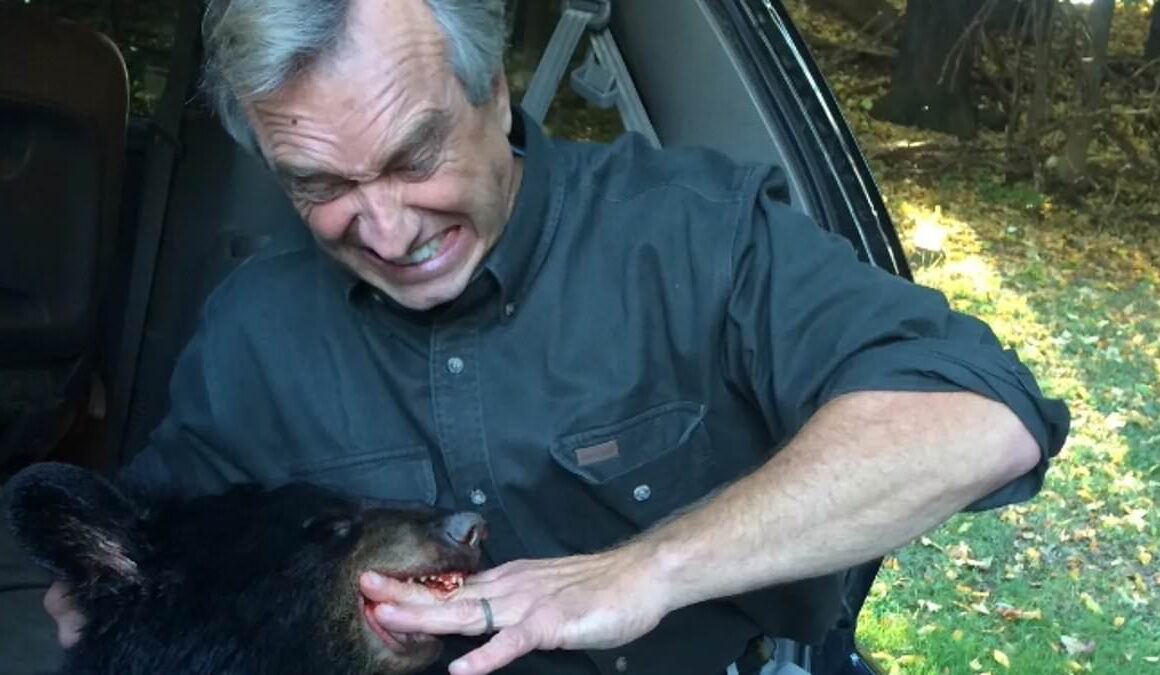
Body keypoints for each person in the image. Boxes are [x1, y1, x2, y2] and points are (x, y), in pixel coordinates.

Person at [6, 0, 1070, 673]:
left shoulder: (692, 238)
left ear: (493, 89)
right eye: (319, 187)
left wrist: (644, 570)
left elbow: (973, 417)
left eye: (413, 157)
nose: (383, 229)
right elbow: (161, 552)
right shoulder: (251, 330)